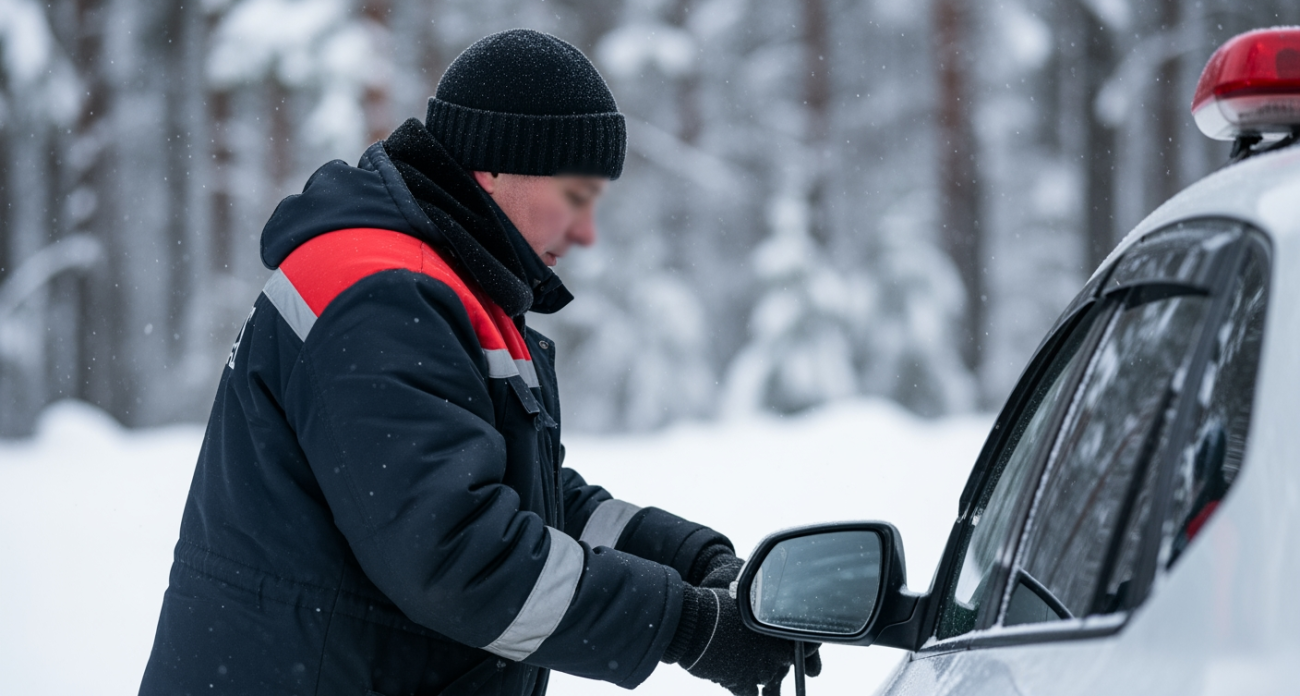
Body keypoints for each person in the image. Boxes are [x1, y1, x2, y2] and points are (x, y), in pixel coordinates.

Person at [139, 29, 819, 696]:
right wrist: (686, 624)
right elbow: (460, 555)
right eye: (575, 195)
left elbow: (521, 497)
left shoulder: (441, 286)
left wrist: (684, 558)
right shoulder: (377, 293)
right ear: (494, 167)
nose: (586, 232)